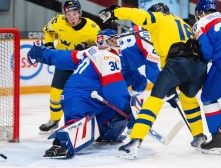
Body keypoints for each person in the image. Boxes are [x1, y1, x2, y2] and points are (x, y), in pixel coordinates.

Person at [99, 2, 207, 159]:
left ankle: (135, 140)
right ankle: (199, 136)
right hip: (198, 67)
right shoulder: (183, 23)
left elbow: (138, 14)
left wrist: (115, 13)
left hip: (177, 64)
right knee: (189, 100)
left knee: (153, 101)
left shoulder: (158, 18)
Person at [27, 29, 132, 158]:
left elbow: (61, 57)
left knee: (115, 115)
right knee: (78, 119)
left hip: (86, 96)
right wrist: (127, 108)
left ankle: (105, 133)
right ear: (105, 40)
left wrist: (42, 53)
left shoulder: (89, 52)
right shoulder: (109, 56)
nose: (117, 42)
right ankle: (60, 144)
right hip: (81, 96)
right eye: (114, 39)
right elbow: (114, 88)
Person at [39, 0, 100, 134]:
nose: (71, 17)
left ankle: (91, 121)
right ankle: (54, 121)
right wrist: (49, 46)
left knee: (81, 95)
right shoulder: (58, 21)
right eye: (68, 14)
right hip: (63, 63)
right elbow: (47, 30)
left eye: (74, 14)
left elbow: (101, 46)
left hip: (82, 66)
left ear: (80, 13)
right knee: (55, 94)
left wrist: (87, 48)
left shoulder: (92, 28)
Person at [193, 0, 221, 154]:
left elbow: (207, 52)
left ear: (201, 12)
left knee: (208, 98)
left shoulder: (201, 23)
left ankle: (218, 141)